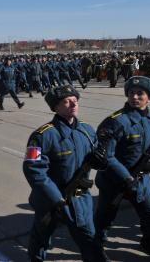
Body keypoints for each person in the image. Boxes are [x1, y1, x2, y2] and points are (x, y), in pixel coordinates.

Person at [23, 85, 109, 262]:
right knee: (41, 239)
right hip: (50, 201)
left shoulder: (86, 130)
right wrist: (57, 199)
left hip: (79, 198)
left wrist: (101, 162)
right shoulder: (42, 136)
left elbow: (96, 155)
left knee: (89, 238)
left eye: (75, 101)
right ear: (55, 107)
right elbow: (33, 170)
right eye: (66, 102)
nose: (73, 105)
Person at [94, 76, 150, 260]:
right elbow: (107, 157)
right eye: (131, 93)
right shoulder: (116, 122)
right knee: (104, 220)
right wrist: (126, 178)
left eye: (140, 93)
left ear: (149, 97)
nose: (134, 97)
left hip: (141, 181)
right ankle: (96, 251)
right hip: (114, 182)